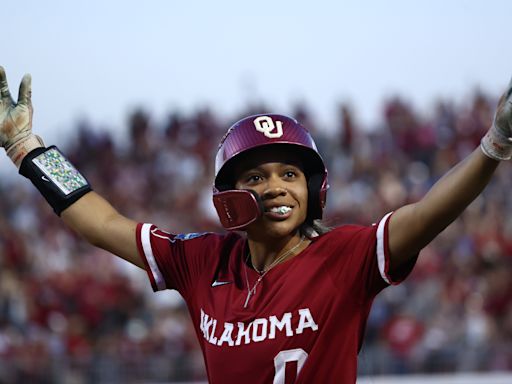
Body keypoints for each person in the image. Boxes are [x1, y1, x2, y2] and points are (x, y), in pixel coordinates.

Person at [0, 66, 511, 384]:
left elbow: (427, 215)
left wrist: (494, 144)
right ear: (228, 195)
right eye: (257, 175)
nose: (275, 187)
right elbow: (101, 220)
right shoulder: (201, 260)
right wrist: (28, 151)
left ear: (314, 189)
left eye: (290, 174)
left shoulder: (345, 256)